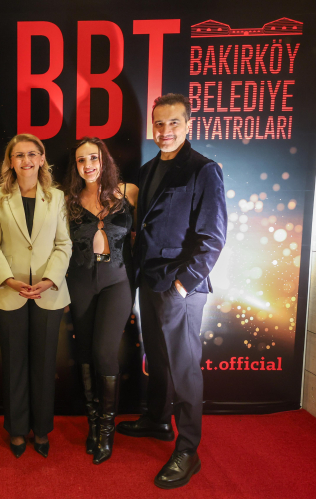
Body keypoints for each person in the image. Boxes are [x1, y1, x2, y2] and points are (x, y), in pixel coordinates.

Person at [116, 93, 227, 489]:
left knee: (184, 367)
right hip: (149, 281)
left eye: (173, 123)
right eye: (159, 124)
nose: (165, 131)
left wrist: (183, 284)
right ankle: (158, 420)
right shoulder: (148, 170)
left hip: (180, 287)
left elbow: (213, 238)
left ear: (188, 125)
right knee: (159, 358)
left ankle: (188, 449)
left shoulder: (203, 169)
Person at [0, 133, 72, 458]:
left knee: (45, 364)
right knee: (14, 364)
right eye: (19, 155)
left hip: (49, 293)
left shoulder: (57, 197)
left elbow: (64, 243)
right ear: (11, 161)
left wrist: (49, 280)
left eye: (32, 154)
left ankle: (42, 429)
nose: (26, 160)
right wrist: (8, 280)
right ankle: (18, 430)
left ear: (42, 158)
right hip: (9, 292)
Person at [63, 137, 137, 464]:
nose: (88, 165)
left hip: (117, 283)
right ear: (76, 166)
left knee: (104, 352)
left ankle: (107, 431)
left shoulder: (129, 193)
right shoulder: (68, 201)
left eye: (93, 158)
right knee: (84, 353)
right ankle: (93, 425)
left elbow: (145, 236)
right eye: (81, 160)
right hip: (79, 284)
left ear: (104, 160)